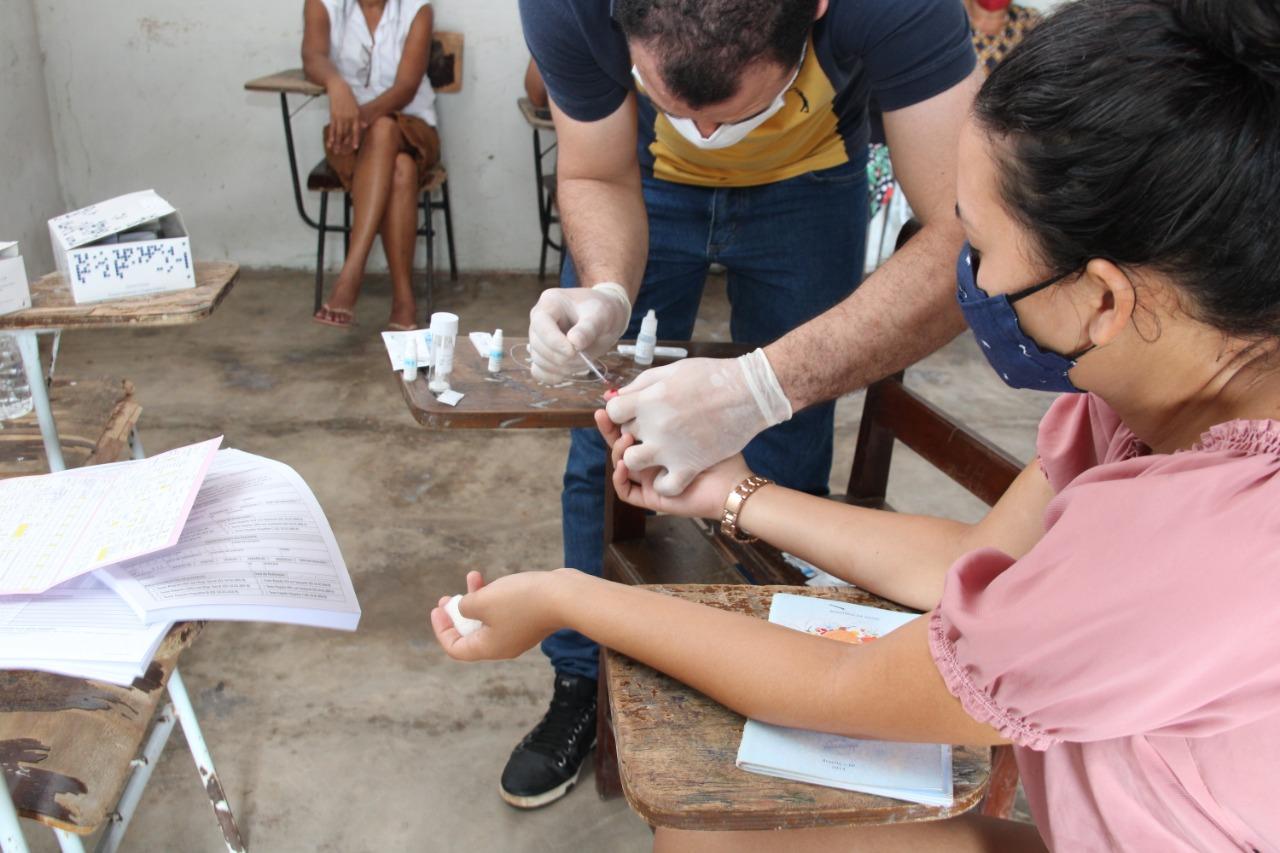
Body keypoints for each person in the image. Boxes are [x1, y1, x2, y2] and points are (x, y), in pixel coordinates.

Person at [436, 0, 1280, 848]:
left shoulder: (1191, 547)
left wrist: (566, 593)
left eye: (977, 250)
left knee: (712, 820)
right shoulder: (1134, 398)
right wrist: (738, 490)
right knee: (711, 831)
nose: (968, 283)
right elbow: (970, 557)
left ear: (1102, 297)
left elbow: (840, 683)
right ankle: (584, 691)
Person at [512, 0, 981, 809]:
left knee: (786, 452)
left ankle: (775, 687)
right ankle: (581, 683)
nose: (702, 134)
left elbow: (971, 232)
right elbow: (594, 169)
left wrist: (762, 387)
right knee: (609, 445)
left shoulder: (901, 8)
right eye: (671, 103)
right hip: (643, 185)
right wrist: (610, 290)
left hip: (811, 182)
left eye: (736, 110)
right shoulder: (566, 6)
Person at [302, 0, 438, 331]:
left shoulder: (418, 9)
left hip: (414, 129)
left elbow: (406, 88)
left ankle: (352, 271)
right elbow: (312, 57)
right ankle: (404, 300)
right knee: (401, 170)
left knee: (385, 128)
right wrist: (337, 86)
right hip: (349, 139)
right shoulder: (323, 4)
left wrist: (361, 117)